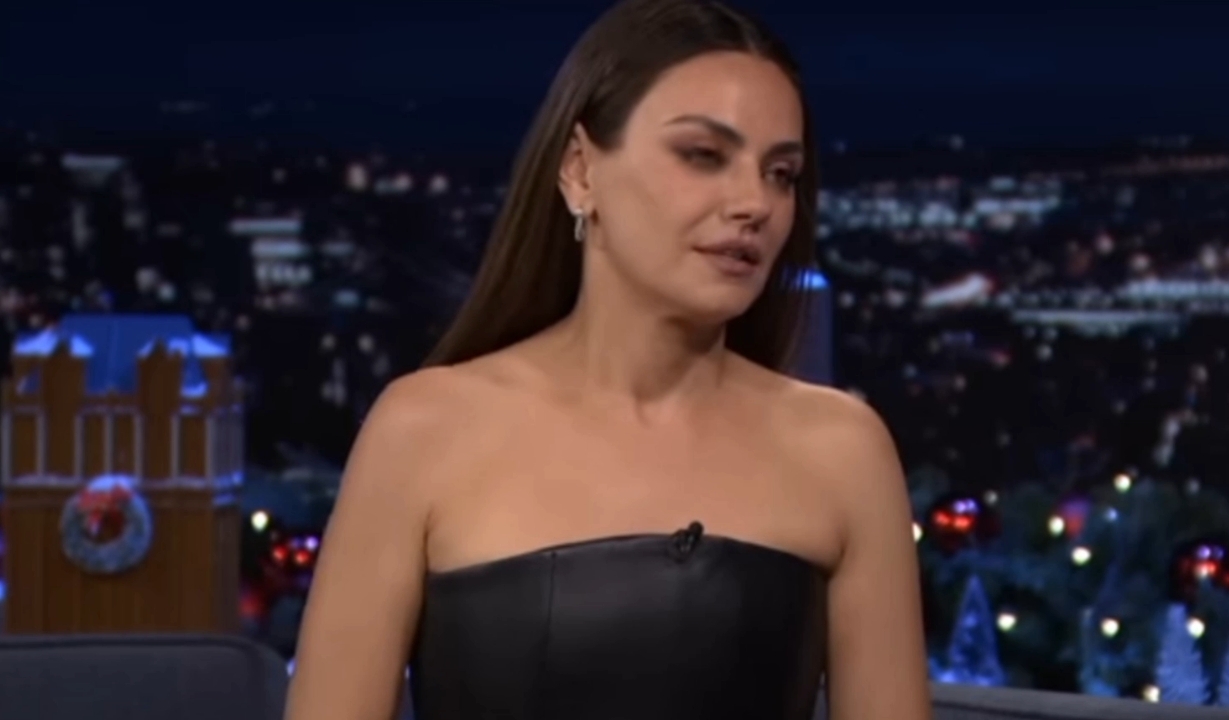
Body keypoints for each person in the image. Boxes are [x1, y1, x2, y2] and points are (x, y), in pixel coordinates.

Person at [285, 0, 930, 718]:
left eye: (781, 173)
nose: (755, 202)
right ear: (580, 170)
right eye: (703, 155)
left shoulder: (842, 453)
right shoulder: (423, 431)